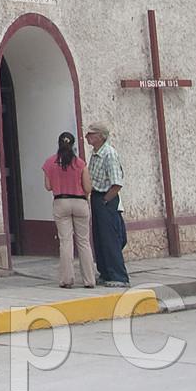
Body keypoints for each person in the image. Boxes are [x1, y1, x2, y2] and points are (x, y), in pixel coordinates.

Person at [41, 130, 96, 287]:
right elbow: (87, 187)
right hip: (79, 202)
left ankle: (66, 279)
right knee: (84, 242)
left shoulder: (49, 163)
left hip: (61, 202)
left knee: (65, 242)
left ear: (58, 144)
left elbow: (48, 186)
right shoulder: (80, 164)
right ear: (73, 146)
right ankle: (89, 280)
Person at [85, 122, 129, 285]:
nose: (87, 137)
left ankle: (119, 276)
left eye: (91, 134)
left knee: (110, 238)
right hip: (97, 196)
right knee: (100, 237)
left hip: (106, 198)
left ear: (100, 136)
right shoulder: (96, 153)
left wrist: (105, 200)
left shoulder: (109, 154)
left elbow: (116, 183)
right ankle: (105, 272)